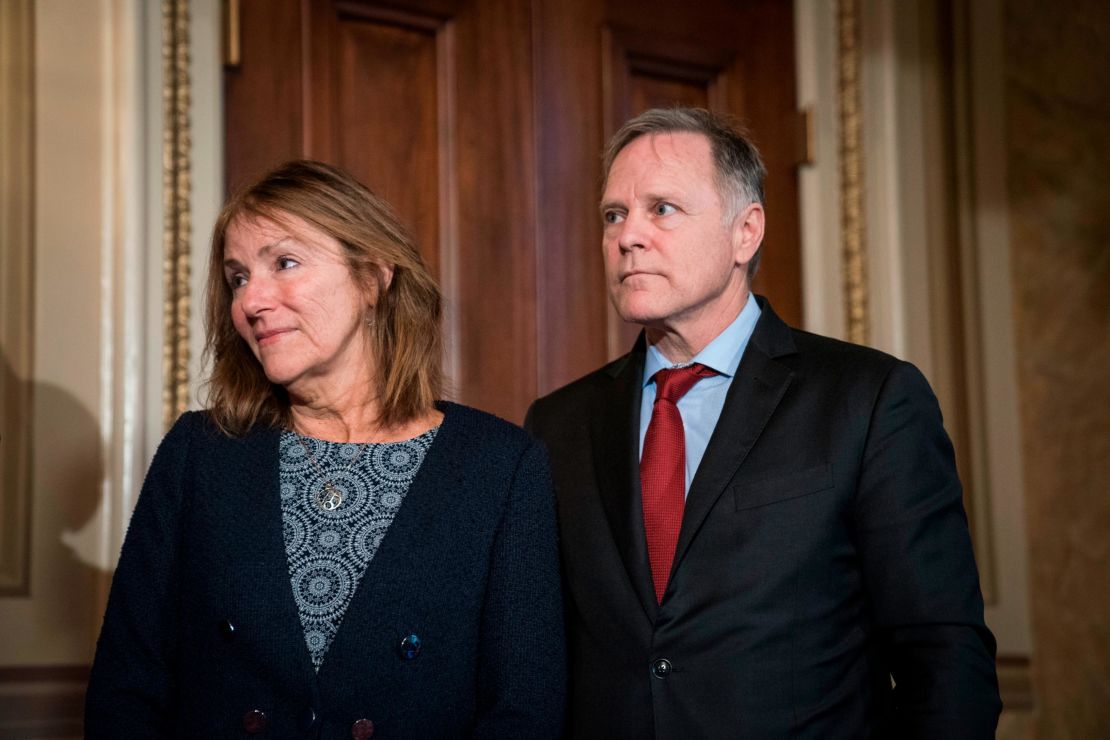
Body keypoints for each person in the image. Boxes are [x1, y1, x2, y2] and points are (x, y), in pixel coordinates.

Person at [525, 108, 1001, 738]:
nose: (628, 236)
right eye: (615, 215)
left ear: (745, 232)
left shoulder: (869, 398)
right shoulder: (557, 423)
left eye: (662, 208)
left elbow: (943, 654)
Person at [86, 160, 565, 738]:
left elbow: (524, 713)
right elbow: (125, 690)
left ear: (373, 277)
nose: (252, 302)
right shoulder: (199, 452)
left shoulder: (501, 465)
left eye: (284, 263)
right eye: (238, 278)